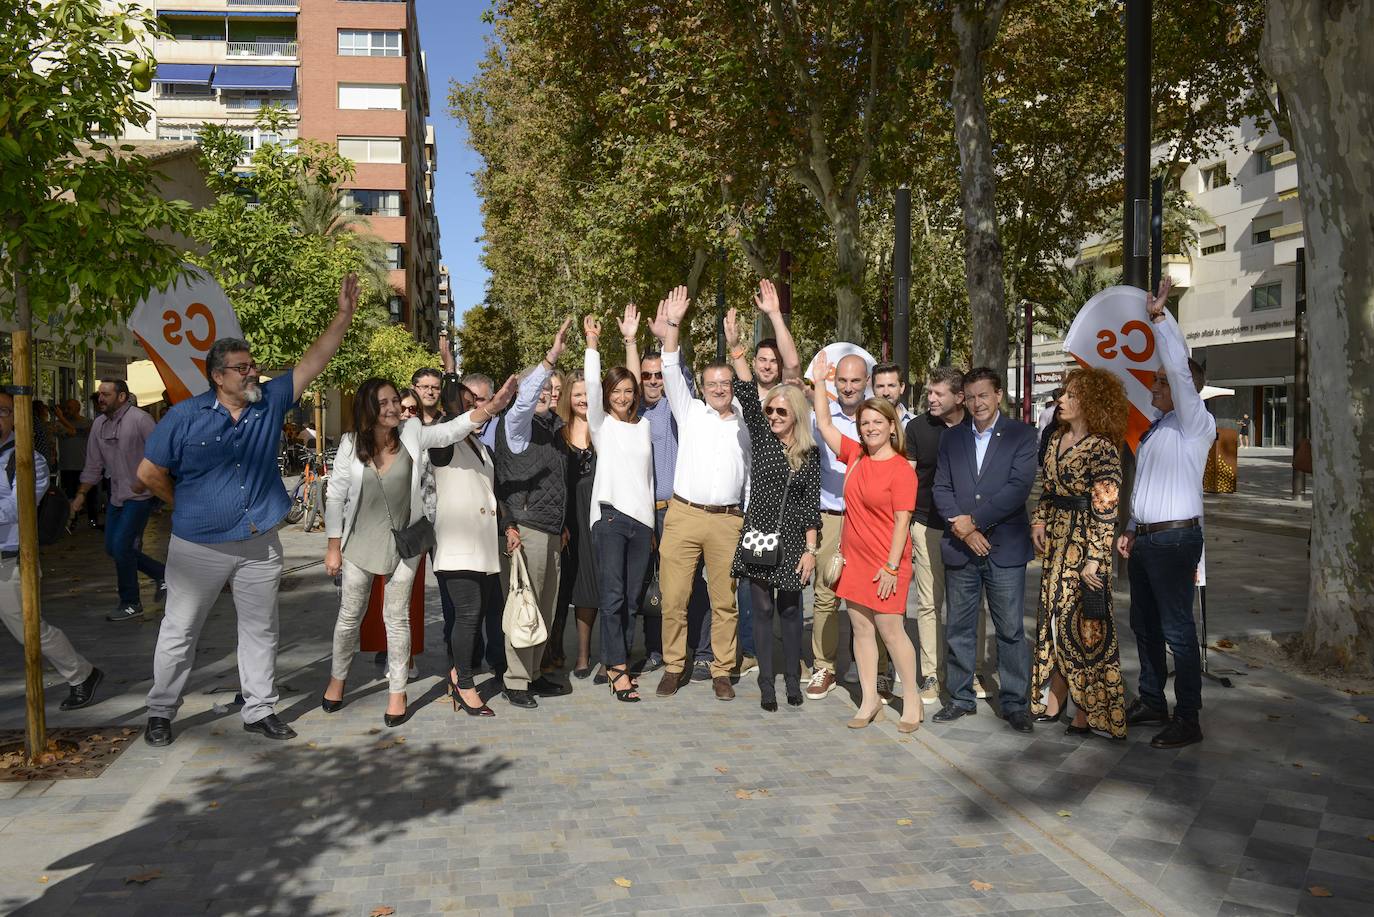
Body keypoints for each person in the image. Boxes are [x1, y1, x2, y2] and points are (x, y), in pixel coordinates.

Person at [137, 274, 361, 747]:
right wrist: (185, 504)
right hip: (197, 546)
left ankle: (259, 709)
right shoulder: (185, 416)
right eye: (241, 368)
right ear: (218, 377)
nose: (252, 373)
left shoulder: (269, 404)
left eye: (253, 365)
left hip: (259, 542)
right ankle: (160, 711)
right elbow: (148, 473)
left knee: (261, 632)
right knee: (180, 632)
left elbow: (312, 362)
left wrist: (343, 316)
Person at [320, 376, 514, 726]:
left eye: (396, 400)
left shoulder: (412, 433)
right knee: (350, 616)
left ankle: (397, 691)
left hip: (405, 541)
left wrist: (491, 408)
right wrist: (334, 546)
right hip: (359, 541)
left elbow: (452, 429)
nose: (395, 407)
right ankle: (338, 678)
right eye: (385, 403)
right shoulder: (350, 444)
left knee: (396, 617)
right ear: (368, 407)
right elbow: (335, 496)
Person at [1117, 277, 1214, 750]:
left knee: (1178, 629)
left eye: (1159, 382)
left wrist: (1160, 319)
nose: (1152, 385)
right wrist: (1132, 527)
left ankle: (1188, 717)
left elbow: (1177, 367)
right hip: (1149, 539)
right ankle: (1153, 700)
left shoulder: (1197, 422)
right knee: (1144, 624)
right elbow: (1147, 486)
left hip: (1175, 541)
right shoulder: (1159, 428)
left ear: (1184, 389)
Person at [810, 354, 923, 732]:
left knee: (892, 631)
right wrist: (821, 382)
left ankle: (911, 701)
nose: (871, 427)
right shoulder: (855, 454)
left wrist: (891, 566)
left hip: (886, 562)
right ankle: (870, 701)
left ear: (892, 426)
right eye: (865, 423)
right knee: (860, 630)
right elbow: (823, 422)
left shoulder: (903, 469)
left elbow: (902, 523)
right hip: (854, 560)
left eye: (878, 422)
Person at [653, 287, 750, 702]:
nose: (718, 388)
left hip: (728, 519)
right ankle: (675, 665)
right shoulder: (688, 410)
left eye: (724, 382)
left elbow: (751, 387)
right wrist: (672, 326)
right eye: (711, 383)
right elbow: (671, 366)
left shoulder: (747, 418)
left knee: (724, 600)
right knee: (674, 597)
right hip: (685, 515)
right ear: (702, 386)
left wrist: (736, 349)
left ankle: (722, 670)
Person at [931, 367, 1038, 734]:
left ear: (998, 396)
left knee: (1009, 629)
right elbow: (941, 488)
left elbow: (1017, 489)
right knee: (959, 626)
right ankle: (960, 698)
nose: (977, 403)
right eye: (971, 396)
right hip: (962, 548)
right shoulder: (951, 438)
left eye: (984, 396)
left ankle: (1015, 702)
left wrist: (972, 522)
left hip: (1004, 547)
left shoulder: (1022, 435)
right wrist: (962, 528)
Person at [725, 304, 820, 711]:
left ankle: (792, 682)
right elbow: (747, 389)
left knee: (791, 609)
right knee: (761, 610)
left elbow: (812, 505)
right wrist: (735, 350)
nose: (775, 415)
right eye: (771, 411)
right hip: (759, 536)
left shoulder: (810, 454)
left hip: (795, 540)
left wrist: (811, 551)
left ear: (795, 414)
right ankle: (766, 683)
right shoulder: (762, 438)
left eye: (782, 411)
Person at [1030, 368, 1129, 739]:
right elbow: (1048, 488)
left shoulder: (1102, 447)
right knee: (1054, 621)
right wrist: (1037, 522)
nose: (1061, 400)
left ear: (1090, 402)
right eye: (1063, 394)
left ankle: (1086, 709)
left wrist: (1096, 557)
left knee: (1084, 627)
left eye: (1070, 396)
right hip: (1056, 543)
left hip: (1084, 548)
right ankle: (1056, 694)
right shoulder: (1055, 438)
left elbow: (1106, 505)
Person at [0, 390, 104, 711]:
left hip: (11, 561)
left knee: (29, 629)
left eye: (3, 411)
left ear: (15, 416)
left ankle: (81, 674)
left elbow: (19, 507)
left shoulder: (27, 458)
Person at [495, 318, 575, 709]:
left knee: (544, 607)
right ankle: (516, 680)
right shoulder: (516, 425)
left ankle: (535, 672)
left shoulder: (551, 429)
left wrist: (561, 526)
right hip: (526, 529)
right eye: (542, 386)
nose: (547, 392)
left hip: (550, 530)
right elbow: (524, 399)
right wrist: (550, 357)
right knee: (523, 604)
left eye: (552, 388)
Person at [807, 351, 894, 701]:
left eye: (855, 380)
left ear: (867, 381)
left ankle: (882, 672)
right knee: (825, 595)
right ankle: (824, 666)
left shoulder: (879, 419)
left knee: (875, 598)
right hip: (831, 517)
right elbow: (822, 424)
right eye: (841, 380)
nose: (847, 387)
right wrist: (815, 380)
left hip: (870, 521)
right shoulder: (819, 418)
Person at [729, 280, 804, 678]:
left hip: (789, 509)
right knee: (753, 589)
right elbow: (742, 381)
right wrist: (736, 345)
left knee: (789, 596)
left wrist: (774, 314)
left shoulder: (789, 396)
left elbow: (793, 365)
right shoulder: (750, 403)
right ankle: (752, 651)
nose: (768, 364)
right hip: (747, 503)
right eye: (761, 359)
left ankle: (790, 660)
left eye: (772, 359)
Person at [431, 377, 518, 718]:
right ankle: (463, 681)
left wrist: (507, 525)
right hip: (457, 545)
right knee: (468, 615)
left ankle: (460, 674)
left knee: (480, 612)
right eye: (468, 403)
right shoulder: (443, 438)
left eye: (478, 402)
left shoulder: (480, 446)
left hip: (483, 548)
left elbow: (490, 494)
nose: (476, 408)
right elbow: (451, 425)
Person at [585, 309, 655, 702]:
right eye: (617, 391)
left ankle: (621, 662)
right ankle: (615, 668)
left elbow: (646, 480)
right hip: (610, 519)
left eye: (629, 391)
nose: (623, 397)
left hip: (642, 523)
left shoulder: (642, 425)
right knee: (612, 598)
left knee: (630, 600)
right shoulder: (601, 425)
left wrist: (632, 339)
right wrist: (593, 345)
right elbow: (594, 391)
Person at [69, 380, 165, 623]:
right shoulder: (99, 425)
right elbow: (93, 465)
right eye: (99, 394)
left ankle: (131, 602)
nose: (100, 398)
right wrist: (81, 495)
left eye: (106, 394)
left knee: (123, 548)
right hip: (116, 496)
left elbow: (160, 454)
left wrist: (146, 481)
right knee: (113, 548)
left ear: (122, 397)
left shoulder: (141, 420)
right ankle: (162, 574)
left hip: (140, 497)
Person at [903, 367, 970, 707]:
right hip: (927, 524)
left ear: (959, 397)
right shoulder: (916, 428)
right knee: (928, 603)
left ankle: (970, 672)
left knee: (969, 604)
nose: (930, 398)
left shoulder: (977, 426)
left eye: (938, 394)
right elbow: (908, 480)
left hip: (971, 530)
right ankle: (932, 673)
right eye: (930, 392)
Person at [554, 369, 600, 679]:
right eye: (577, 394)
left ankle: (583, 655)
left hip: (596, 519)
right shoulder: (557, 434)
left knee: (589, 587)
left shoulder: (604, 430)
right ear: (569, 398)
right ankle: (552, 651)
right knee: (558, 591)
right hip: (564, 521)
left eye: (587, 393)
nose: (583, 399)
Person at [54, 398, 96, 528]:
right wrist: (61, 419)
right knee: (70, 495)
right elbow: (71, 432)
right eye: (65, 408)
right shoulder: (59, 424)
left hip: (85, 465)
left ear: (78, 408)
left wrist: (61, 418)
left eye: (69, 408)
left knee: (89, 496)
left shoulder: (88, 422)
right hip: (68, 465)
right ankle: (72, 521)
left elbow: (76, 432)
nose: (67, 411)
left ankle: (93, 520)